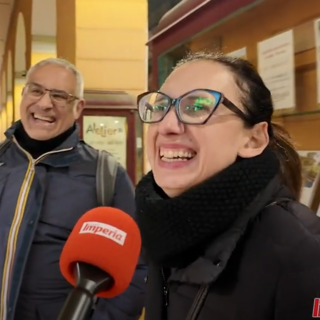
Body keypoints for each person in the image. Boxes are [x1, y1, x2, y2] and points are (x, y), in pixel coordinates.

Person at [135, 51, 320, 320]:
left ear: (254, 140)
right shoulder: (162, 225)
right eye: (160, 106)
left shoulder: (303, 253)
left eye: (197, 106)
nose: (167, 125)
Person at [0, 58, 146, 320]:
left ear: (78, 107)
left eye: (59, 96)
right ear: (24, 94)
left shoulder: (106, 176)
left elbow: (136, 267)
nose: (45, 103)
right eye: (36, 90)